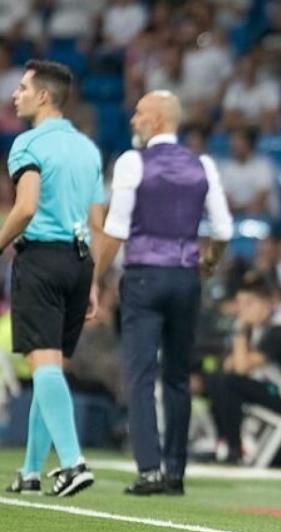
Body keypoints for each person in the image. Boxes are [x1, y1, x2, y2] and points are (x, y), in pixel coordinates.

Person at [91, 90, 234, 495]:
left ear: (155, 121)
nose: (132, 120)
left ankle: (149, 468)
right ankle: (175, 471)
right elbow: (222, 230)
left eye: (138, 113)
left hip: (143, 277)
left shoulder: (132, 163)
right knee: (177, 376)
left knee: (139, 374)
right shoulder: (202, 163)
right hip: (186, 278)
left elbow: (116, 230)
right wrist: (209, 262)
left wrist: (94, 281)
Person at [2, 60, 105, 497]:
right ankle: (29, 471)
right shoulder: (88, 149)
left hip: (41, 259)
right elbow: (97, 222)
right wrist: (95, 281)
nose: (15, 95)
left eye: (23, 88)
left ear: (44, 96)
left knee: (42, 365)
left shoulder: (27, 143)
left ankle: (73, 462)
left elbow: (25, 208)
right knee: (52, 368)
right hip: (80, 263)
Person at [203, 275, 281, 466]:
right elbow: (230, 364)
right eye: (240, 304)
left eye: (249, 303)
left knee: (230, 383)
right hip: (267, 389)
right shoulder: (258, 330)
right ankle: (223, 442)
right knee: (216, 380)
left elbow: (241, 368)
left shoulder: (280, 331)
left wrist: (240, 328)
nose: (242, 310)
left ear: (266, 304)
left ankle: (235, 448)